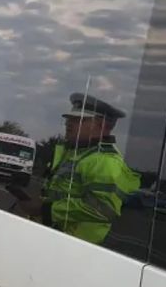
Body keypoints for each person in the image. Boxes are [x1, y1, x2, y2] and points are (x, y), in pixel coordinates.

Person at [22, 92, 140, 244]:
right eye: (70, 118)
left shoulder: (106, 161)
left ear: (102, 125)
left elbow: (101, 209)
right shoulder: (75, 154)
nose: (68, 123)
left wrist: (43, 209)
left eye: (79, 119)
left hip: (73, 249)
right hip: (52, 239)